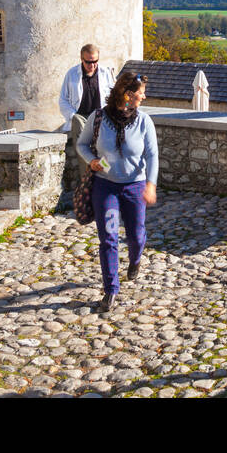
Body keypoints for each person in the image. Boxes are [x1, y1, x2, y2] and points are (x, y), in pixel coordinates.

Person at [76, 70, 157, 314]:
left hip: (135, 186)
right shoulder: (98, 118)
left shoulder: (144, 121)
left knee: (136, 236)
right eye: (140, 94)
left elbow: (152, 155)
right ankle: (111, 289)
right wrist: (91, 160)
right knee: (109, 238)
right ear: (126, 95)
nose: (143, 98)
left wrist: (150, 184)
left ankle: (135, 260)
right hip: (105, 186)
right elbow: (81, 143)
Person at [59, 44, 115, 154]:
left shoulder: (105, 73)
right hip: (80, 117)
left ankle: (100, 170)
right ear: (81, 59)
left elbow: (113, 97)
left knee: (104, 151)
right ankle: (86, 169)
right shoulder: (72, 74)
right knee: (83, 148)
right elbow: (63, 99)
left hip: (100, 116)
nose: (92, 65)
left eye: (95, 61)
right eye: (88, 62)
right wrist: (73, 116)